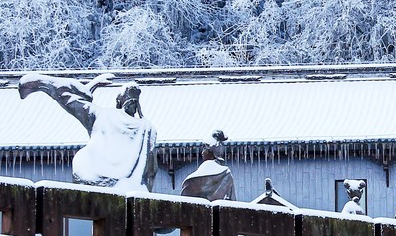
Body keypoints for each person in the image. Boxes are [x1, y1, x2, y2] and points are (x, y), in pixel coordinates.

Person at [19, 72, 157, 192]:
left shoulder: (103, 115)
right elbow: (151, 171)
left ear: (119, 101)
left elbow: (71, 100)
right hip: (132, 189)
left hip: (97, 180)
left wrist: (42, 82)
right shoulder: (147, 128)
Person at [180, 130, 236, 201]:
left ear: (211, 152)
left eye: (205, 149)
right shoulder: (226, 174)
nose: (202, 153)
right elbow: (231, 200)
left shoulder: (192, 180)